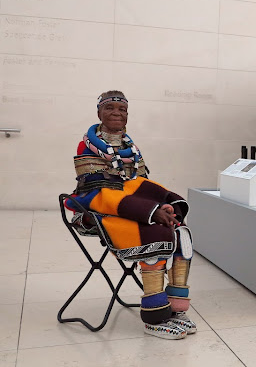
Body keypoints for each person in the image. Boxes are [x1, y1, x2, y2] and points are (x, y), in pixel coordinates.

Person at [66, 90, 196, 340]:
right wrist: (149, 211)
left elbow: (139, 183)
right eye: (110, 108)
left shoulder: (130, 146)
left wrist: (165, 204)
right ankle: (155, 317)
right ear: (99, 113)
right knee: (153, 231)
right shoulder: (88, 145)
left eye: (122, 109)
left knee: (181, 232)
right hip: (96, 208)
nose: (116, 112)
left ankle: (176, 308)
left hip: (128, 204)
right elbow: (97, 190)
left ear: (127, 115)